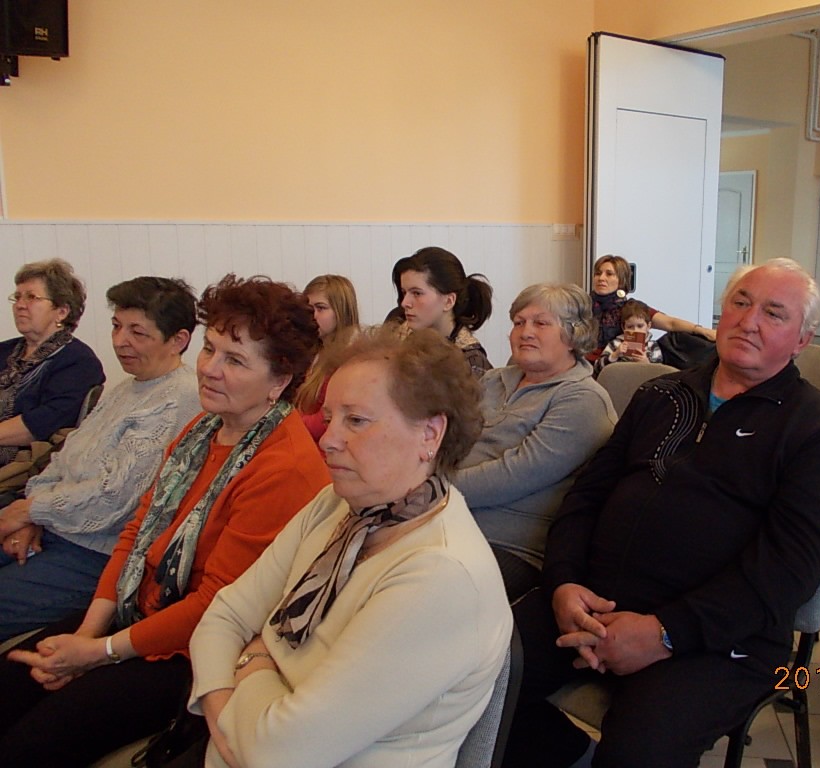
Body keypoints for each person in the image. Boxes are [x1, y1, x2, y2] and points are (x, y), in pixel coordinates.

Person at [505, 258, 820, 768]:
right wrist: (563, 584)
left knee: (637, 753)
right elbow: (585, 498)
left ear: (802, 339)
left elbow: (786, 573)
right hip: (591, 603)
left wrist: (666, 632)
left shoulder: (818, 433)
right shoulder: (660, 395)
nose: (749, 321)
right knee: (472, 677)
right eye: (740, 303)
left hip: (717, 639)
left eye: (774, 313)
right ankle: (573, 756)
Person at [0, 275, 331, 767]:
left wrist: (97, 652)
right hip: (140, 609)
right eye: (210, 349)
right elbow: (137, 534)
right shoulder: (203, 429)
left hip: (193, 650)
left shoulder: (285, 467)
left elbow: (215, 606)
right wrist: (89, 632)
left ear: (279, 380)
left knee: (28, 746)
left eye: (235, 360)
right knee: (10, 683)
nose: (209, 369)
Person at [189, 328, 512, 768]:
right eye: (329, 418)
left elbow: (280, 753)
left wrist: (255, 656)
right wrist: (231, 717)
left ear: (430, 434)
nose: (327, 439)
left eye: (356, 420)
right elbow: (222, 618)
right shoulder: (339, 505)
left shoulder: (441, 574)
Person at [0, 276, 203, 641]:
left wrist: (29, 511)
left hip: (95, 554)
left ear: (178, 340)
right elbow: (63, 459)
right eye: (116, 326)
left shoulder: (181, 398)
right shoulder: (128, 387)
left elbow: (115, 498)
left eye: (137, 332)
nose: (119, 341)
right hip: (53, 527)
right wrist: (31, 514)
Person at [452, 283, 616, 601]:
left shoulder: (582, 399)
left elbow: (514, 475)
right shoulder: (493, 380)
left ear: (573, 335)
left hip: (507, 546)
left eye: (540, 323)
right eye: (519, 322)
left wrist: (430, 489)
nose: (525, 332)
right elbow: (448, 440)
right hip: (446, 522)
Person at [0, 259, 104, 478]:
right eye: (17, 297)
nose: (20, 305)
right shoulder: (5, 350)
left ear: (61, 312)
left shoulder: (78, 362)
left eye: (31, 297)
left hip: (24, 469)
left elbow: (42, 424)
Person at [588, 254, 714, 362]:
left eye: (609, 274)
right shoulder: (583, 304)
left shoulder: (631, 308)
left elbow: (671, 323)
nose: (601, 278)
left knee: (683, 340)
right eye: (598, 273)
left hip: (617, 367)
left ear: (621, 280)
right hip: (585, 364)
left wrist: (703, 331)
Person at [395, 246, 494, 377]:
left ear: (448, 301)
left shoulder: (470, 363)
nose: (404, 303)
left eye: (417, 293)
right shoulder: (395, 331)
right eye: (404, 292)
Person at [294, 274, 360, 442]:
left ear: (341, 312)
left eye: (321, 308)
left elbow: (327, 419)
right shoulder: (311, 351)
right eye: (309, 309)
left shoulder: (350, 357)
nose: (313, 316)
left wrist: (288, 424)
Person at [592, 298, 665, 376]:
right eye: (630, 327)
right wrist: (615, 355)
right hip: (619, 379)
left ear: (648, 326)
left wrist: (646, 363)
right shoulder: (615, 344)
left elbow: (659, 373)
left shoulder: (653, 346)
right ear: (624, 327)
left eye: (640, 326)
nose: (635, 330)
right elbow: (597, 368)